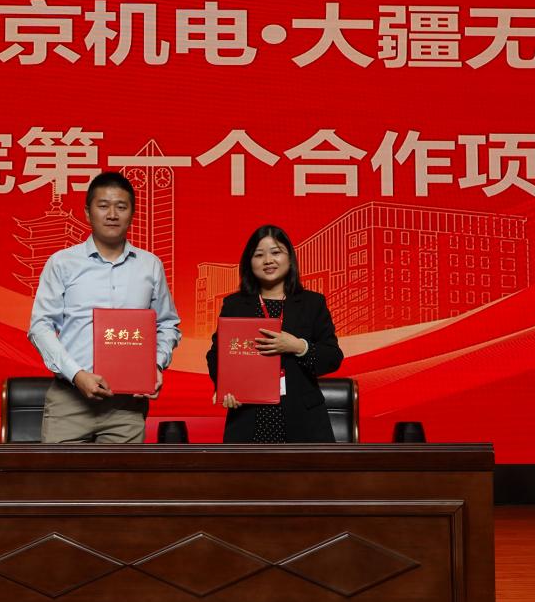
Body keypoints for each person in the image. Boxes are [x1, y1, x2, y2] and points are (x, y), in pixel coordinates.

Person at [28, 172, 181, 443]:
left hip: (126, 406)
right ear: (88, 212)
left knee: (121, 473)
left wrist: (155, 365)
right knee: (59, 473)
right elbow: (40, 327)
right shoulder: (62, 263)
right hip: (69, 401)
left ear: (132, 214)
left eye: (121, 207)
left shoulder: (150, 266)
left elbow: (167, 324)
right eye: (103, 206)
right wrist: (77, 375)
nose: (112, 214)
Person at [206, 224, 344, 443]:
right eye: (259, 255)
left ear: (290, 258)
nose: (268, 260)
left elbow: (332, 357)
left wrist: (298, 346)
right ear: (249, 263)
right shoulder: (235, 305)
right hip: (248, 417)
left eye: (276, 252)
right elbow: (216, 355)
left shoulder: (312, 303)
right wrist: (225, 387)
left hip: (303, 419)